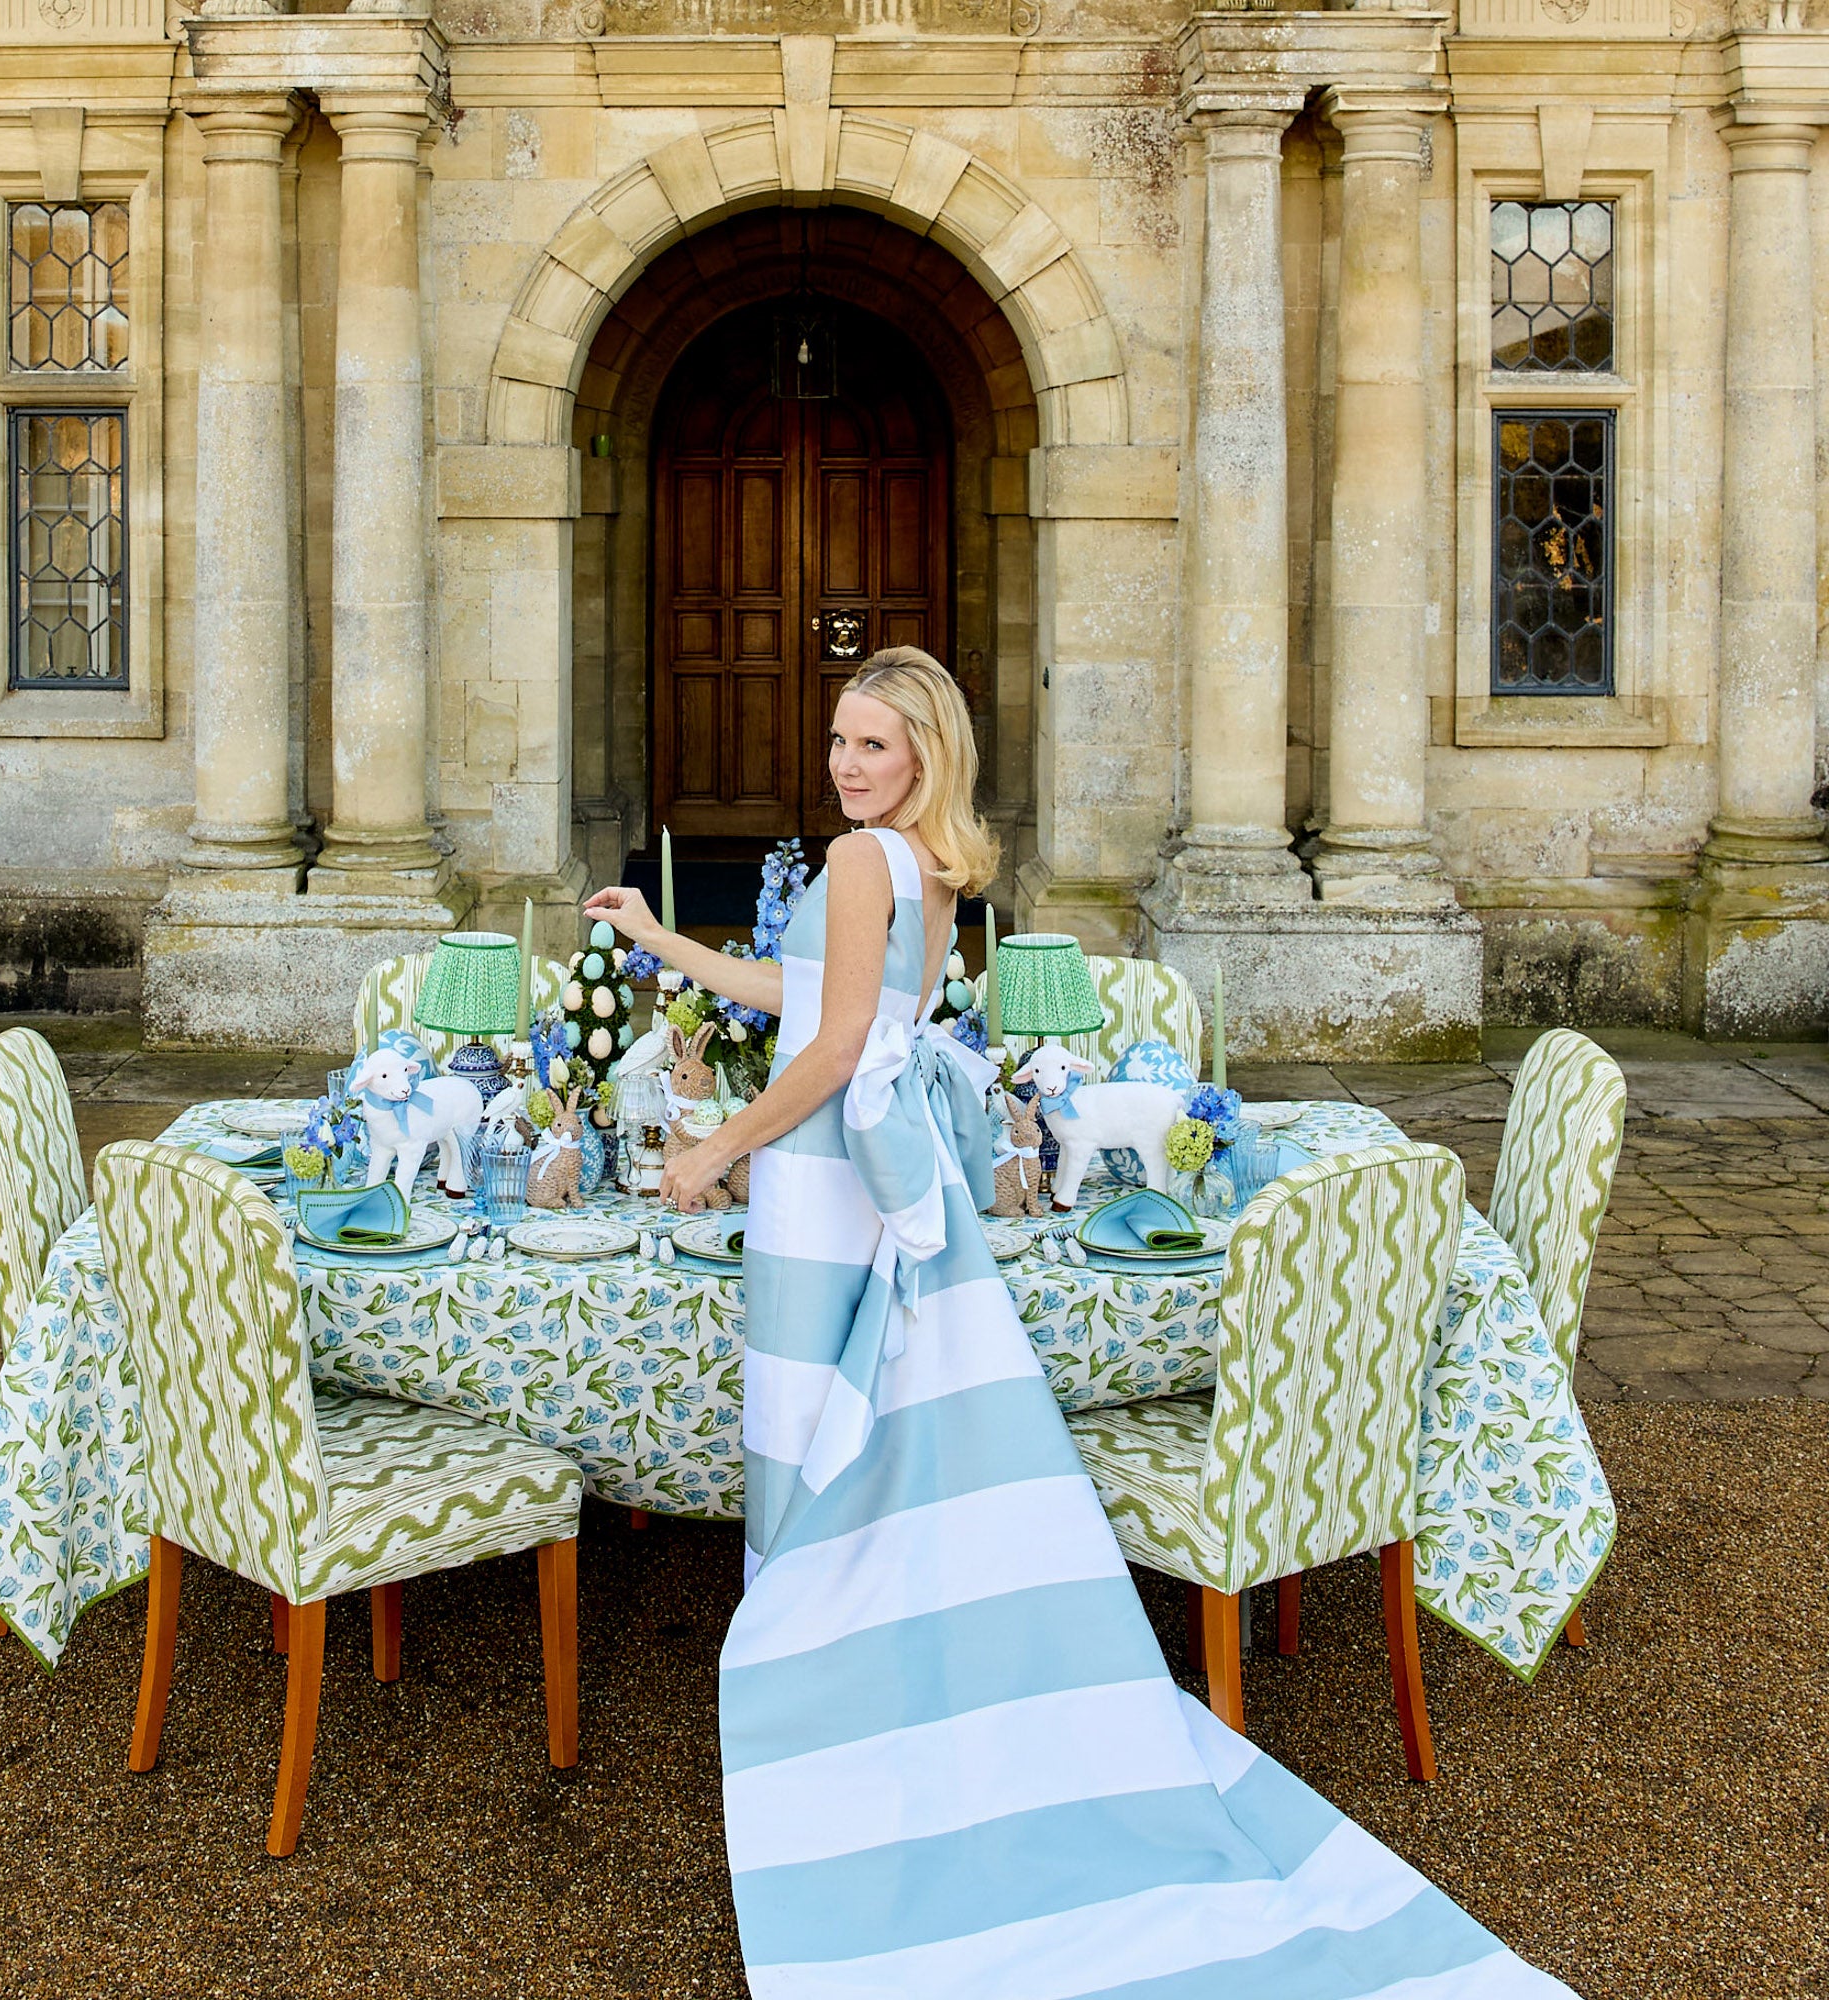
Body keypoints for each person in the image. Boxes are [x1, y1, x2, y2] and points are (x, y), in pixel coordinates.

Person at [586, 648, 1569, 1999]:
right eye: (839, 741)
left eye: (874, 745)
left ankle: (833, 1703)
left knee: (810, 1430)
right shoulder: (916, 863)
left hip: (820, 1188)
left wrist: (711, 1156)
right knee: (858, 1439)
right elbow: (801, 1000)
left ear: (925, 753)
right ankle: (894, 1692)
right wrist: (657, 941)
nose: (847, 765)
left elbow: (826, 1053)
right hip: (855, 1180)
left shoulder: (869, 862)